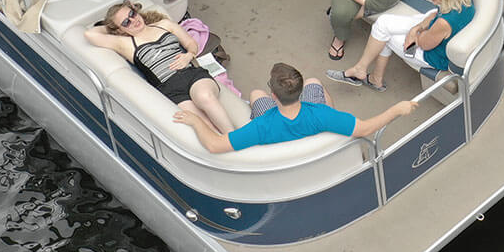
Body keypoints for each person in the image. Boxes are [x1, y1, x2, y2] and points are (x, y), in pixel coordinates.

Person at [174, 62, 417, 153]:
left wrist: (195, 121)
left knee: (254, 94)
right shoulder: (321, 115)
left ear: (274, 95)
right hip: (314, 121)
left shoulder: (260, 126)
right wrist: (397, 109)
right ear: (298, 91)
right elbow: (365, 128)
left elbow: (215, 145)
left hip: (274, 126)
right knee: (316, 83)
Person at [85, 0, 234, 133]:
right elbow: (90, 34)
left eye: (132, 13)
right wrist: (111, 26)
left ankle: (236, 137)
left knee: (205, 98)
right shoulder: (124, 44)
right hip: (170, 89)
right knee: (204, 124)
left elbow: (190, 44)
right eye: (126, 22)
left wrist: (189, 55)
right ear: (119, 30)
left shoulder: (164, 25)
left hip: (191, 75)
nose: (133, 20)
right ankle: (232, 148)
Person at [330, 0, 476, 91]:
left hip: (435, 57)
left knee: (382, 34)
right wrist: (416, 29)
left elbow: (424, 43)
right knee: (383, 23)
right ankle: (367, 73)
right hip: (436, 34)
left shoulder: (443, 23)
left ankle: (372, 77)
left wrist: (415, 35)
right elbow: (434, 14)